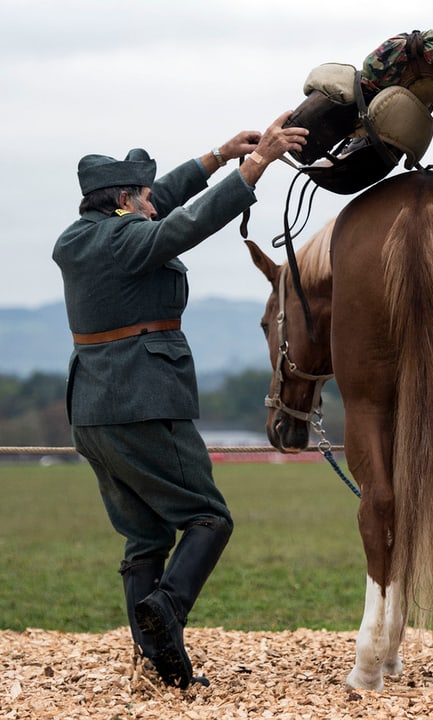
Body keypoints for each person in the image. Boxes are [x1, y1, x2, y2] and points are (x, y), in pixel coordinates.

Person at [52, 113, 308, 689]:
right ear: (123, 201)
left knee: (145, 536)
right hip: (144, 402)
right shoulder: (128, 238)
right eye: (142, 194)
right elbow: (185, 224)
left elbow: (161, 201)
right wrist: (256, 165)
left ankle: (161, 665)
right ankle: (167, 610)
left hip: (92, 410)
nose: (152, 199)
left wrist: (218, 156)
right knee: (208, 518)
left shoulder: (81, 237)